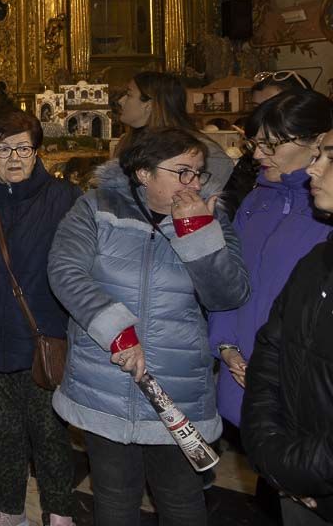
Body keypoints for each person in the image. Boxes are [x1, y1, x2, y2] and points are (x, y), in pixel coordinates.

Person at [48, 127, 249, 526]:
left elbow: (229, 295)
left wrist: (198, 233)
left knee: (181, 500)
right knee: (114, 499)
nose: (193, 182)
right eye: (182, 171)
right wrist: (117, 331)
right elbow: (65, 270)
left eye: (198, 172)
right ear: (143, 173)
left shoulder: (212, 217)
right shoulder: (96, 207)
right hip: (104, 381)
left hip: (177, 388)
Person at [0, 111, 80, 526]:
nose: (15, 157)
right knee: (2, 431)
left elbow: (83, 270)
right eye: (3, 149)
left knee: (49, 432)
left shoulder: (65, 199)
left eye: (24, 147)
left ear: (37, 152)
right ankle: (8, 509)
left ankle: (58, 513)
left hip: (44, 336)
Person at [209, 90, 333, 429]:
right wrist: (226, 344)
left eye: (271, 145)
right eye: (255, 144)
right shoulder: (256, 200)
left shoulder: (324, 209)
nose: (259, 155)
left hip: (301, 380)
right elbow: (229, 279)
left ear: (316, 142)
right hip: (243, 370)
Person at [242, 128, 333, 525]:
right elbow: (270, 354)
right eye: (317, 156)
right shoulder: (317, 261)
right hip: (296, 478)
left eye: (330, 158)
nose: (314, 169)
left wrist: (297, 470)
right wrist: (270, 454)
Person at [115, 71, 234, 198]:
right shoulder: (127, 142)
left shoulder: (205, 151)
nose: (121, 101)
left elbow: (206, 199)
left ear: (149, 105)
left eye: (129, 95)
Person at [223, 70, 315, 211]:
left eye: (272, 106)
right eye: (256, 108)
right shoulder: (252, 158)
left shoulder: (319, 181)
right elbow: (229, 202)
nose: (262, 115)